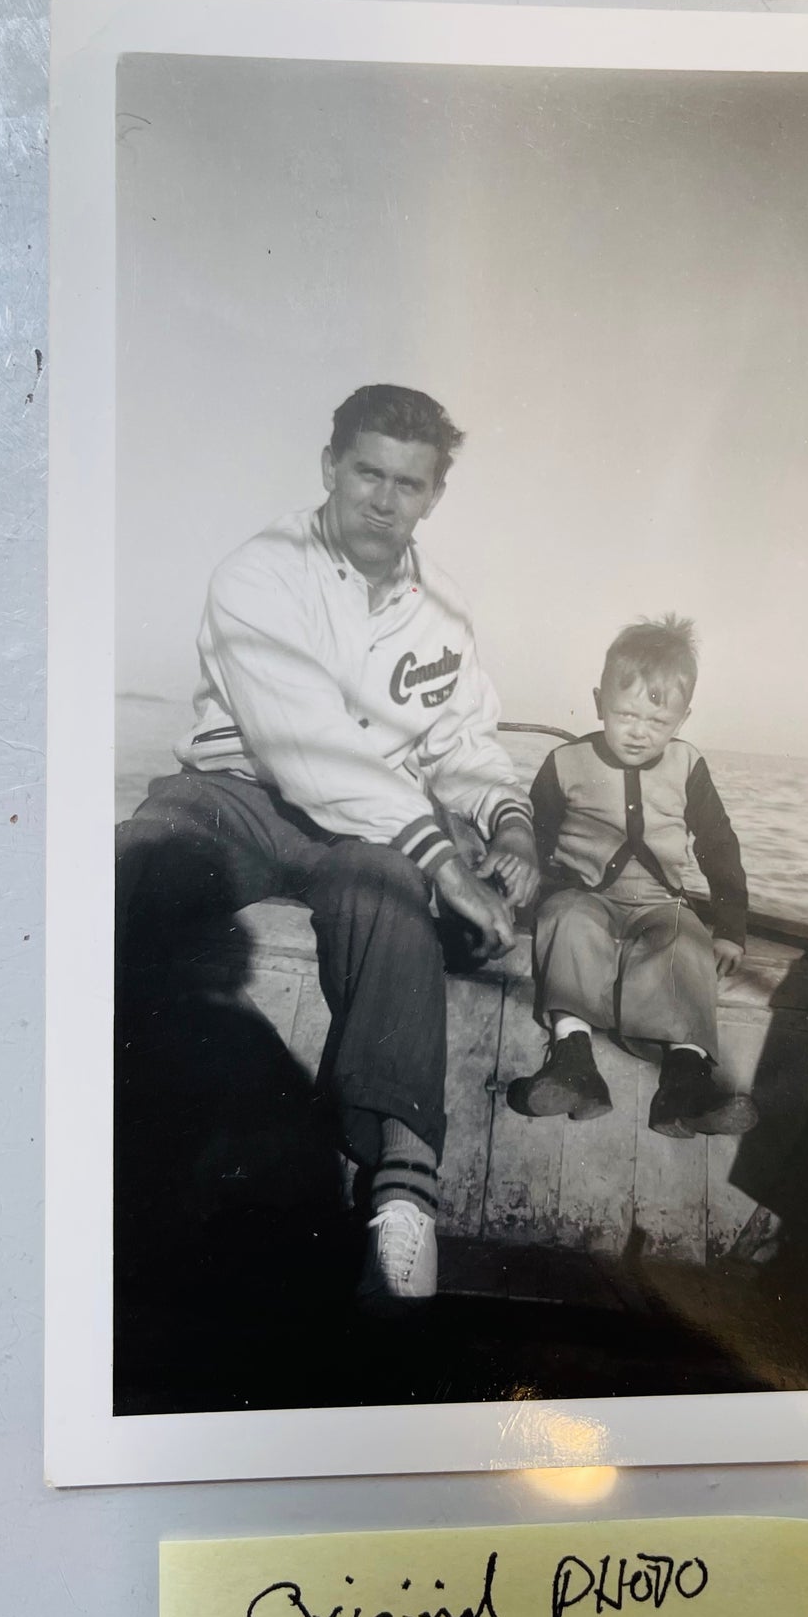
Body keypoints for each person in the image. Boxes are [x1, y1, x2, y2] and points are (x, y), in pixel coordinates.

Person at [115, 385, 538, 1312]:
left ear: (434, 495)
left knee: (392, 899)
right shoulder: (258, 571)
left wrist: (508, 822)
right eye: (367, 474)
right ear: (329, 468)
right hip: (233, 794)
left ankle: (401, 1202)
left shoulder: (447, 616)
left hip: (365, 828)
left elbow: (460, 743)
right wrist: (444, 852)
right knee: (132, 867)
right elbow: (305, 747)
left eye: (409, 484)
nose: (383, 502)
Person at [507, 616, 755, 1139]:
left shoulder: (689, 765)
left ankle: (684, 1083)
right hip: (584, 893)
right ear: (599, 703)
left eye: (658, 721)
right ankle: (573, 1061)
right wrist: (520, 903)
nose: (640, 731)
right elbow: (534, 838)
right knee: (568, 922)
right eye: (626, 714)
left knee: (684, 945)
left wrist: (730, 924)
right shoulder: (565, 761)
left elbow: (718, 845)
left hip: (661, 902)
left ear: (683, 718)